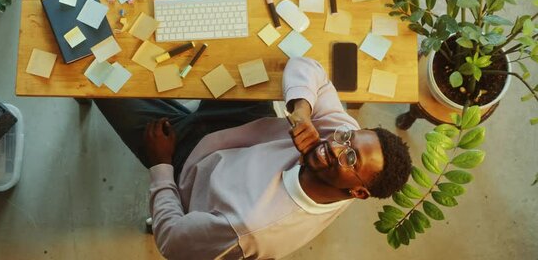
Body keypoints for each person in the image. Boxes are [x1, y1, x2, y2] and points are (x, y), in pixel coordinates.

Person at [95, 57, 412, 259]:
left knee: (99, 79)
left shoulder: (250, 226)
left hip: (183, 159)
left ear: (358, 193)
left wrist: (161, 166)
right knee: (240, 52)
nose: (335, 145)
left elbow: (173, 241)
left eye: (350, 158)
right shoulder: (341, 136)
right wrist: (301, 111)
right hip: (241, 126)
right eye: (347, 138)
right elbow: (308, 67)